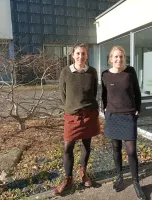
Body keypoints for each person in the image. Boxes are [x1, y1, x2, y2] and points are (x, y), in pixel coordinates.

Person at [53, 43, 100, 195]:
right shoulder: (65, 72)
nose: (81, 56)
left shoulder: (92, 72)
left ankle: (83, 173)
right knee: (68, 147)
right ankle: (68, 179)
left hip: (89, 114)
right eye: (78, 53)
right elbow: (63, 95)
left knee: (86, 145)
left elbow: (93, 92)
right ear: (73, 55)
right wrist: (72, 107)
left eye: (84, 54)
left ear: (87, 56)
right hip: (72, 115)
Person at [101, 46, 146, 200]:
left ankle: (136, 182)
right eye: (116, 57)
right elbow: (104, 95)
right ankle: (120, 177)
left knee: (132, 151)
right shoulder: (105, 75)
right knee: (116, 148)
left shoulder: (130, 72)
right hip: (113, 116)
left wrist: (138, 109)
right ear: (111, 59)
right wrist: (105, 110)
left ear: (124, 57)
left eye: (121, 56)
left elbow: (137, 93)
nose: (119, 59)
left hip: (128, 115)